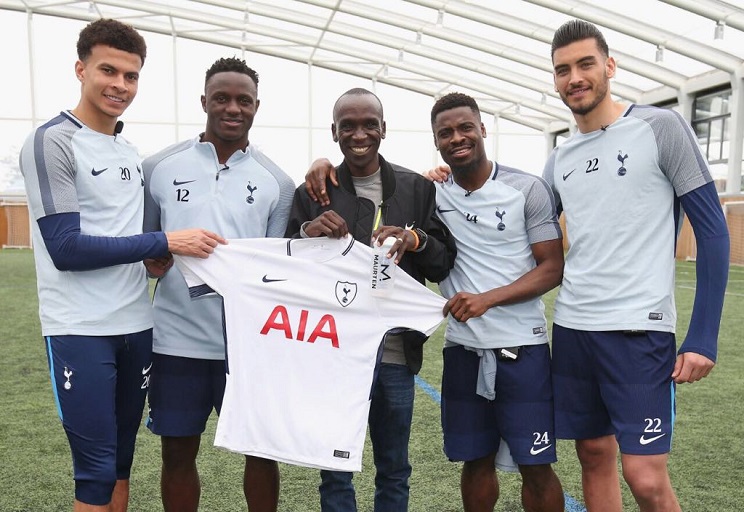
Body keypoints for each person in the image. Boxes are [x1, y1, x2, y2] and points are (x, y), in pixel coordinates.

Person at [18, 19, 224, 512]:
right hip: (81, 328)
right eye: (108, 70)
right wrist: (164, 239)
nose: (120, 85)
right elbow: (65, 248)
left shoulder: (127, 151)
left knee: (121, 467)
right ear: (80, 69)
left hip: (136, 326)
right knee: (93, 475)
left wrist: (153, 259)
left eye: (131, 76)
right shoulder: (52, 142)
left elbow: (121, 237)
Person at [544, 20, 730, 512]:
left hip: (639, 332)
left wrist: (703, 337)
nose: (574, 78)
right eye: (563, 70)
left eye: (585, 64)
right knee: (592, 454)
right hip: (574, 328)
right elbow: (524, 222)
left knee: (645, 478)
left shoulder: (660, 127)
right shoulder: (560, 157)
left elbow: (712, 231)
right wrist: (445, 179)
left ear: (609, 65)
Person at [286, 87, 456, 512]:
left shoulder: (416, 188)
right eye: (348, 126)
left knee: (394, 467)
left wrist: (413, 239)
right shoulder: (314, 190)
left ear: (384, 129)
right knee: (335, 469)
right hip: (333, 351)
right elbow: (286, 260)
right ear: (334, 132)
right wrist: (308, 232)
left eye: (368, 125)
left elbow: (442, 262)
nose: (358, 134)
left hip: (395, 354)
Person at [142, 57, 295, 512]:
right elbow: (148, 249)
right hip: (175, 340)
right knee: (176, 454)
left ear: (256, 106)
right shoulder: (157, 167)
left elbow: (278, 266)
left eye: (243, 100)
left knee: (261, 454)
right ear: (204, 101)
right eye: (222, 98)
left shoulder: (277, 182)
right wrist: (155, 258)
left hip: (248, 344)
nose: (233, 108)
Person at [426, 92, 565, 512]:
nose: (457, 138)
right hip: (463, 350)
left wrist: (488, 299)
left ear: (482, 129)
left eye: (465, 127)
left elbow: (552, 267)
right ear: (437, 143)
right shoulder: (431, 193)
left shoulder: (527, 189)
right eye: (445, 133)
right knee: (475, 460)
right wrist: (320, 165)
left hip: (523, 350)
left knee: (536, 465)